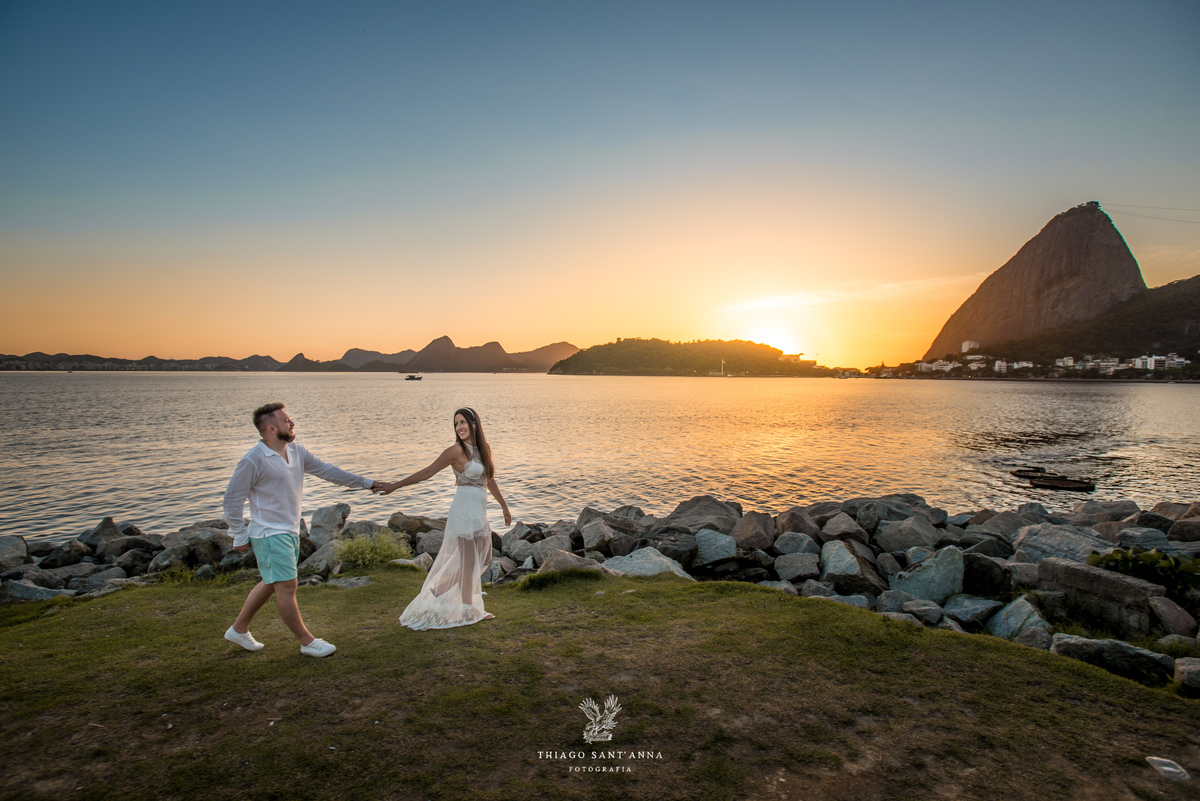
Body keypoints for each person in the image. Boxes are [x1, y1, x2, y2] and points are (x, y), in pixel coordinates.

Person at [222, 402, 383, 657]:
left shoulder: (296, 452)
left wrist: (367, 483)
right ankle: (307, 642)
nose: (292, 423)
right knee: (287, 587)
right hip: (269, 533)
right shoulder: (253, 460)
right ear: (272, 429)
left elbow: (329, 471)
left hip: (288, 531)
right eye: (287, 420)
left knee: (270, 581)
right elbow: (232, 499)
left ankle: (238, 629)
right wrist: (238, 534)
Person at [377, 407, 511, 630]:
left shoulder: (483, 449)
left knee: (476, 556)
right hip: (463, 509)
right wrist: (395, 485)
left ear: (474, 423)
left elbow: (489, 479)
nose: (459, 427)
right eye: (456, 423)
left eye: (462, 422)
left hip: (479, 509)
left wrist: (504, 505)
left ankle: (440, 589)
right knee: (469, 562)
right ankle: (470, 610)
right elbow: (427, 472)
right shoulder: (454, 451)